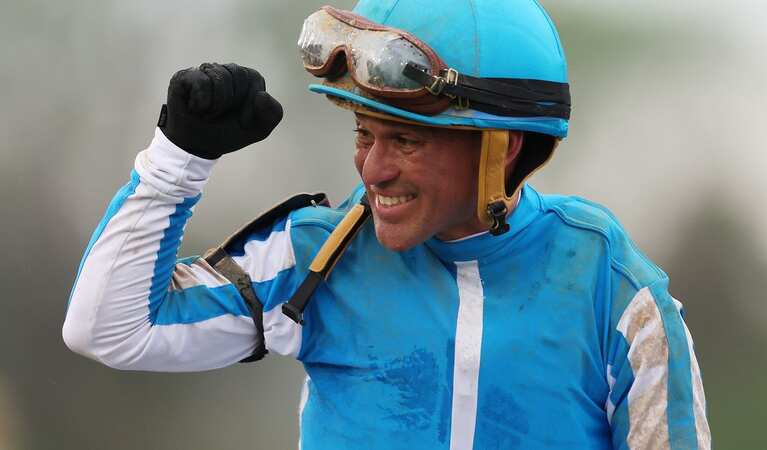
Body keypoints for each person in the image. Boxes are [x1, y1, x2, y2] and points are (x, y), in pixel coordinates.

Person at [63, 1, 711, 449]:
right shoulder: (322, 250)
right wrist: (178, 160)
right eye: (363, 134)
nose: (371, 170)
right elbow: (109, 331)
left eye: (403, 141)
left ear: (503, 148)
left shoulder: (608, 282)